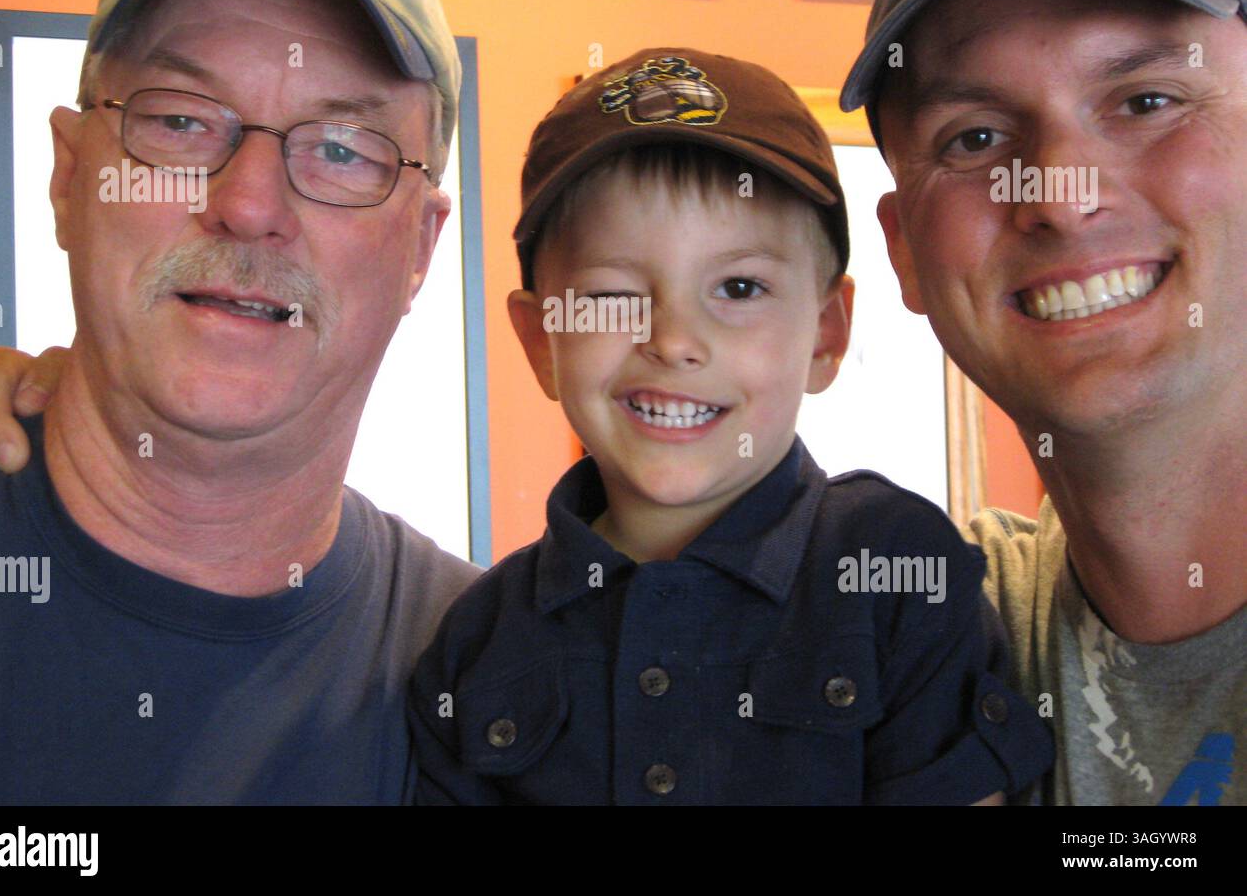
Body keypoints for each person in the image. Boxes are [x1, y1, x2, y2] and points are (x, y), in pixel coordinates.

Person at [403, 48, 1052, 804]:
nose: (674, 339)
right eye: (612, 296)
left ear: (826, 333)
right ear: (542, 341)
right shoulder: (477, 640)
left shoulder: (897, 572)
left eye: (739, 287)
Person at [0, 0, 480, 804]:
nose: (248, 204)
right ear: (69, 177)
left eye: (342, 149)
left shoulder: (495, 679)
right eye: (182, 121)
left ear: (421, 249)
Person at [839, 0, 1246, 805]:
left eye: (1146, 101)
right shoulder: (928, 643)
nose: (1060, 195)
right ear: (904, 252)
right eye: (974, 139)